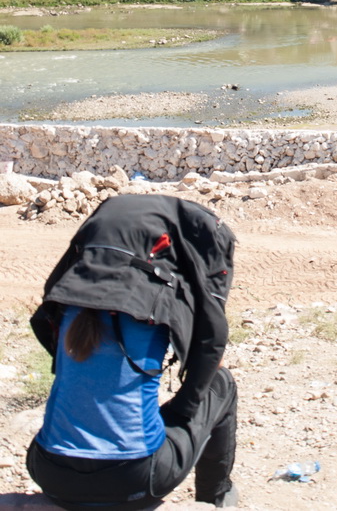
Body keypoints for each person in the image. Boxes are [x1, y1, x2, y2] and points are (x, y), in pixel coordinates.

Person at [26, 194, 239, 510]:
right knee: (223, 384)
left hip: (50, 471)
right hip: (135, 479)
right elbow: (209, 357)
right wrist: (180, 411)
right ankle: (216, 496)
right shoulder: (156, 302)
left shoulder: (67, 303)